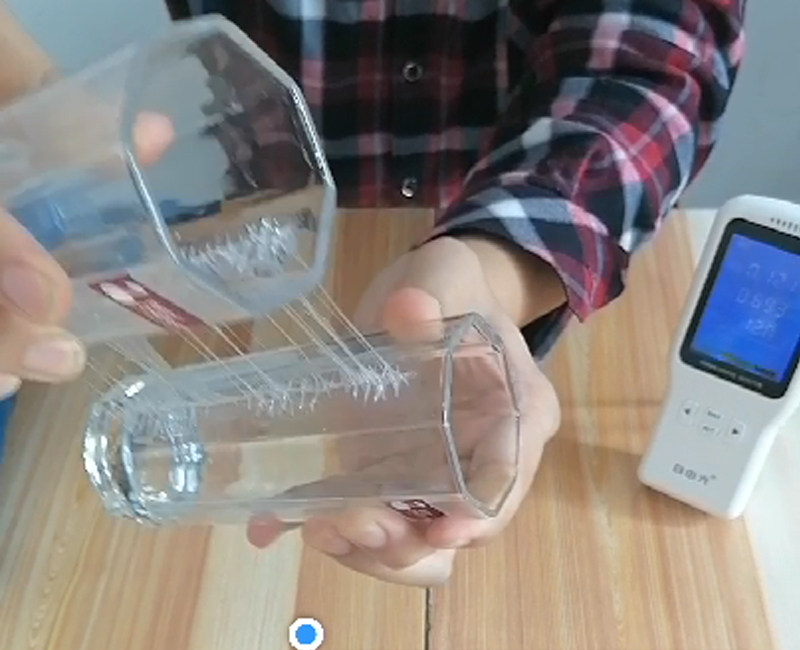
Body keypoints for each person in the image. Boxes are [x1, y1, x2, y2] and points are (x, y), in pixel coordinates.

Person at [0, 1, 745, 585]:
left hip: (476, 218)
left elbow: (652, 58)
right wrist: (38, 107)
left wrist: (493, 267)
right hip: (249, 215)